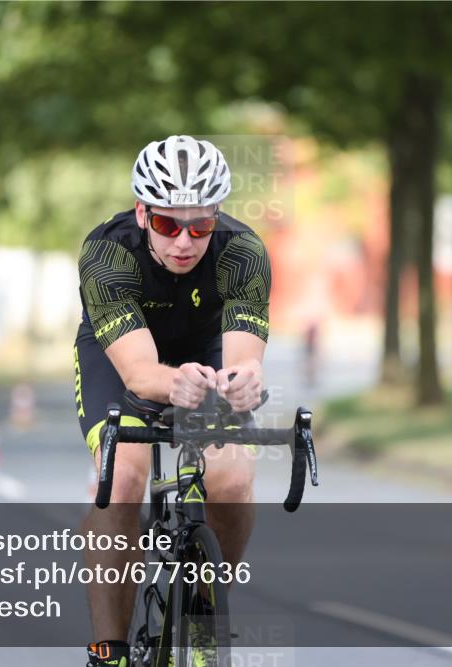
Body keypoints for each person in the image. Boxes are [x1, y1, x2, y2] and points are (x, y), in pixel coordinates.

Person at [73, 135, 271, 667]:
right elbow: (140, 375)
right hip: (123, 356)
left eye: (199, 226)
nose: (184, 241)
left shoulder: (243, 252)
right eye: (167, 224)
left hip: (205, 351)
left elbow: (243, 360)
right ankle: (109, 650)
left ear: (216, 217)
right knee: (121, 481)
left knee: (233, 477)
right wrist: (174, 384)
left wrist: (244, 381)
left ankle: (207, 610)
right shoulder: (108, 252)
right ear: (142, 213)